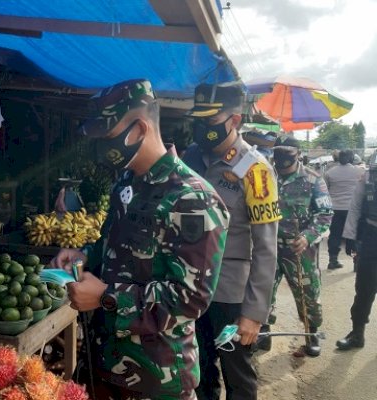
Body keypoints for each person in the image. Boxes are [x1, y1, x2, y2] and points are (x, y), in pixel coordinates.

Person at [51, 79, 230, 399]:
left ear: (139, 128)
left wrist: (106, 296)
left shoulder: (192, 198)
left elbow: (191, 299)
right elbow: (117, 246)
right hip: (106, 363)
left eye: (107, 136)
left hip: (157, 378)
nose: (102, 147)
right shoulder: (126, 183)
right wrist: (86, 255)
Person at [182, 82, 281, 400]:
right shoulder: (190, 157)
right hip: (190, 288)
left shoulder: (256, 170)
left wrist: (254, 313)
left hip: (230, 296)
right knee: (199, 372)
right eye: (197, 118)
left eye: (210, 120)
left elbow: (266, 248)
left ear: (235, 119)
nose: (201, 127)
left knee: (238, 377)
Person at [266, 135, 332, 356]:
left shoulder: (313, 180)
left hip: (299, 249)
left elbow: (324, 214)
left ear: (298, 155)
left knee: (307, 291)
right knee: (262, 290)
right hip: (268, 246)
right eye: (278, 153)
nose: (282, 158)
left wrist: (308, 236)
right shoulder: (265, 176)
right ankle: (263, 333)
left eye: (288, 154)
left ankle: (310, 333)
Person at [336, 151, 377, 350]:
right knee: (364, 288)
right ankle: (357, 334)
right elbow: (355, 206)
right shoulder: (369, 174)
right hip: (372, 235)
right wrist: (350, 236)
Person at [324, 149, 364, 269]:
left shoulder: (330, 173)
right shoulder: (359, 171)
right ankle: (356, 262)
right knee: (354, 234)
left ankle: (333, 260)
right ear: (352, 158)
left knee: (335, 234)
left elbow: (325, 190)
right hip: (353, 209)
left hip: (335, 208)